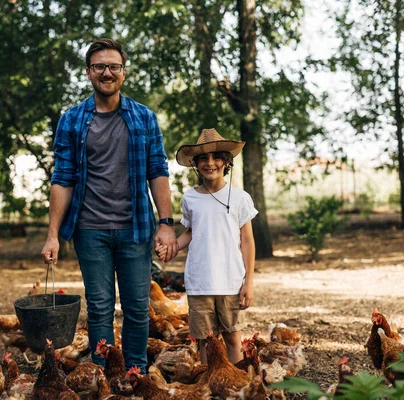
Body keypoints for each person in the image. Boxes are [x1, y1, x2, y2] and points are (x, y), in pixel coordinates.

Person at [40, 38, 177, 373]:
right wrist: (53, 234)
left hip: (136, 229)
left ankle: (135, 374)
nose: (107, 72)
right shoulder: (72, 120)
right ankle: (102, 376)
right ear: (89, 73)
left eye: (113, 66)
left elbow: (157, 170)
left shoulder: (144, 118)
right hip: (90, 231)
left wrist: (166, 222)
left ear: (123, 73)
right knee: (99, 308)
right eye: (99, 66)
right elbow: (63, 178)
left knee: (136, 308)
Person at [157, 128, 257, 364]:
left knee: (233, 338)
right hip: (200, 282)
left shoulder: (240, 198)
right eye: (203, 158)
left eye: (216, 157)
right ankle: (207, 386)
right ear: (196, 164)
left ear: (226, 162)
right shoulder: (190, 198)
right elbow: (192, 232)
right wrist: (172, 246)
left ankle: (234, 385)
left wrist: (248, 282)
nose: (210, 163)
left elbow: (247, 241)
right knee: (205, 340)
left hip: (230, 281)